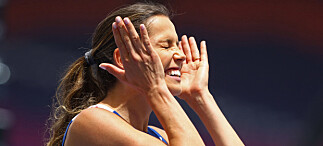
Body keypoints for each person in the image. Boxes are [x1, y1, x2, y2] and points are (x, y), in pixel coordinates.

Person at [46, 2, 244, 146]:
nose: (181, 55)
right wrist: (156, 88)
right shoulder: (92, 122)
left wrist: (200, 96)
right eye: (166, 45)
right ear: (123, 59)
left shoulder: (159, 136)